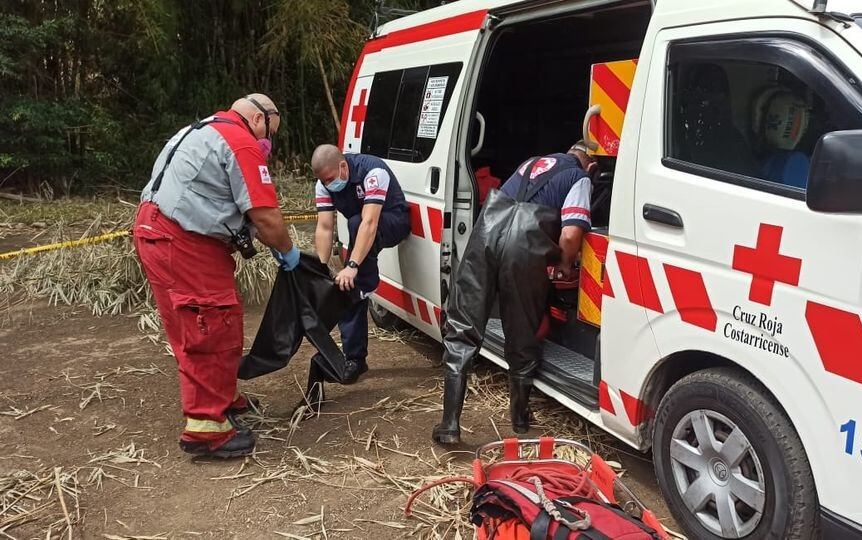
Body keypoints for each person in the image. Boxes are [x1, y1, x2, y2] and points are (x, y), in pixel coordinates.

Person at [133, 94, 299, 458]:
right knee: (211, 325)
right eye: (271, 133)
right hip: (185, 241)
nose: (269, 143)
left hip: (158, 232)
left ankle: (223, 397)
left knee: (198, 323)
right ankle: (207, 426)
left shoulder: (200, 130)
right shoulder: (240, 142)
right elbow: (266, 216)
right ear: (259, 119)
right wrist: (287, 250)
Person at [433, 141, 597, 445]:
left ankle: (449, 425)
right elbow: (570, 233)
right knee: (522, 331)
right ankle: (520, 419)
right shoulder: (580, 177)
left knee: (463, 327)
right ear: (592, 166)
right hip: (525, 245)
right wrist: (564, 263)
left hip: (487, 231)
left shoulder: (532, 161)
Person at [311, 145, 412, 382]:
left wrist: (352, 266)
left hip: (393, 222)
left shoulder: (373, 171)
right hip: (361, 229)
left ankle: (362, 289)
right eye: (324, 181)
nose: (328, 184)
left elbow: (369, 223)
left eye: (330, 179)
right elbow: (324, 227)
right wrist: (321, 268)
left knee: (353, 285)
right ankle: (354, 356)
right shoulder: (324, 184)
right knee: (347, 283)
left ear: (343, 166)